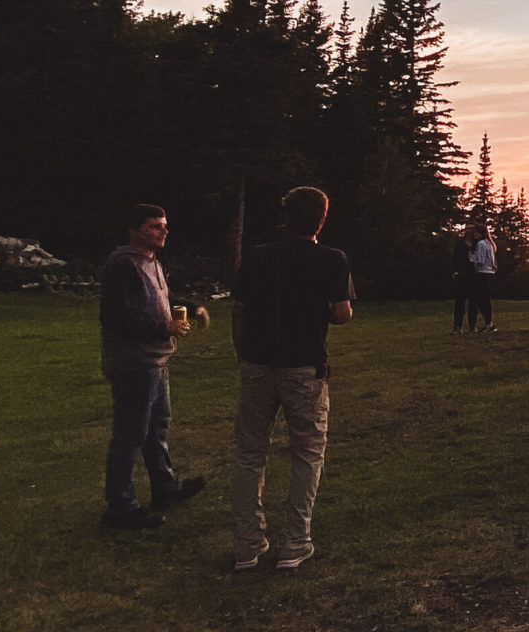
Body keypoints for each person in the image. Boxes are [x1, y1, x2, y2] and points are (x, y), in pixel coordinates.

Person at [231, 186, 355, 571]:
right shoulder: (332, 259)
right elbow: (341, 314)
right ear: (321, 218)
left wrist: (244, 353)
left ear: (286, 216)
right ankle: (294, 542)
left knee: (250, 454)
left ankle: (247, 545)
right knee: (306, 454)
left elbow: (239, 311)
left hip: (257, 365)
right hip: (304, 368)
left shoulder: (258, 256)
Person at [99, 204, 205, 529]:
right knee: (130, 435)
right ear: (136, 230)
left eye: (165, 225)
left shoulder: (151, 262)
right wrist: (163, 328)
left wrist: (189, 309)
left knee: (156, 429)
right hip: (134, 364)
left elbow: (155, 303)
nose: (164, 231)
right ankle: (120, 507)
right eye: (156, 226)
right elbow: (118, 316)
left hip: (156, 361)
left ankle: (166, 487)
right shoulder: (123, 264)